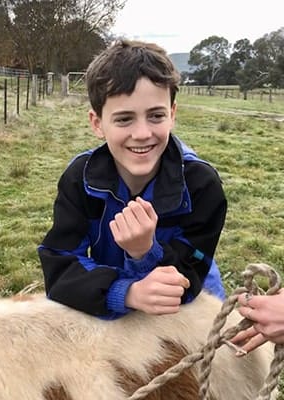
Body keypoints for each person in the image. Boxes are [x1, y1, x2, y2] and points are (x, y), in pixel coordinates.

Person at [38, 39, 227, 320]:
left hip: (190, 311)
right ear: (97, 123)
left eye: (156, 116)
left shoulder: (202, 184)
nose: (142, 133)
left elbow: (189, 275)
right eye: (124, 119)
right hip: (116, 302)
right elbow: (60, 267)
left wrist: (145, 252)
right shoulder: (80, 179)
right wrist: (126, 292)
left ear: (172, 114)